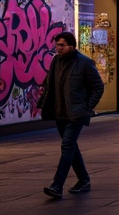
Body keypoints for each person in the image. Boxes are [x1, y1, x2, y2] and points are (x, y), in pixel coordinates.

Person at [39, 31, 104, 199]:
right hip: (60, 112)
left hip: (77, 113)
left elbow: (98, 87)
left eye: (62, 45)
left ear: (71, 46)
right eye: (57, 45)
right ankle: (84, 179)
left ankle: (57, 185)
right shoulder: (56, 62)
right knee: (71, 146)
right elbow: (49, 83)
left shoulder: (84, 63)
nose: (58, 48)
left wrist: (87, 107)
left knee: (67, 146)